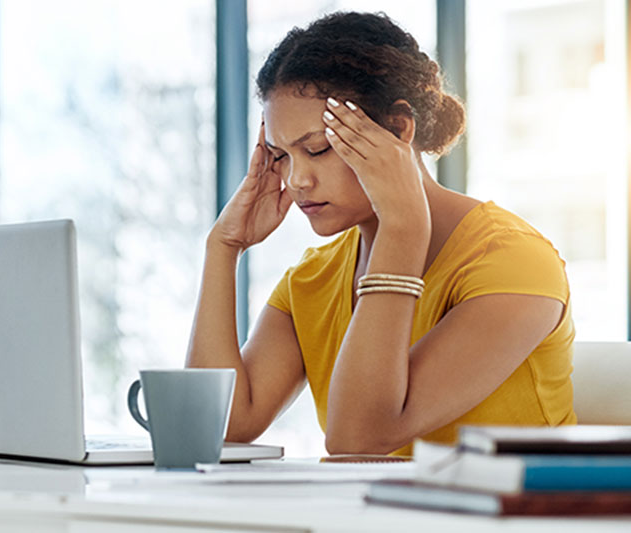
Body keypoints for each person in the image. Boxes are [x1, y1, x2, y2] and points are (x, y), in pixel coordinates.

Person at [186, 11, 575, 456]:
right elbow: (217, 426)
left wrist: (403, 227)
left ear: (398, 129)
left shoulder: (513, 261)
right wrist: (222, 248)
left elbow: (359, 439)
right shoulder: (313, 280)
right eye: (280, 156)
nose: (296, 180)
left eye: (317, 149)